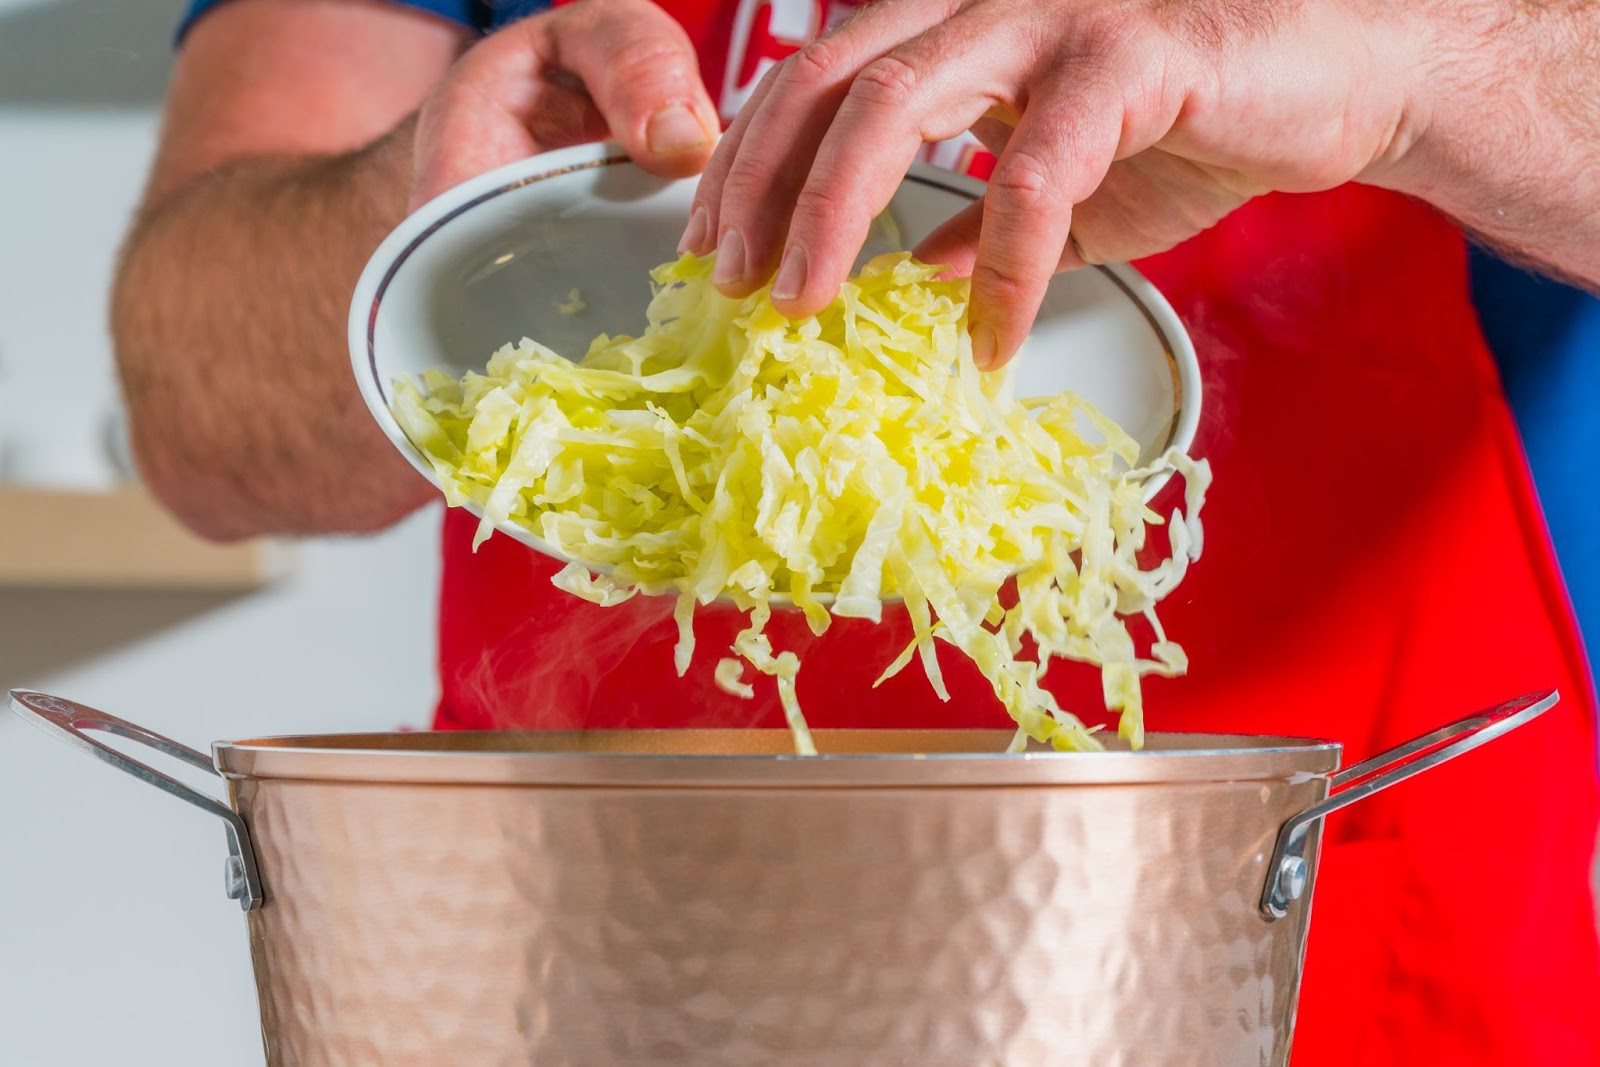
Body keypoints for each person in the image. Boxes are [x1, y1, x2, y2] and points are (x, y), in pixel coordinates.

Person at [112, 0, 1600, 1063]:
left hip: (1314, 939)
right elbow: (197, 412)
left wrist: (1424, 68)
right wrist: (433, 212)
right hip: (592, 969)